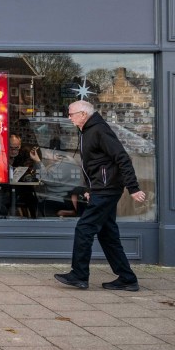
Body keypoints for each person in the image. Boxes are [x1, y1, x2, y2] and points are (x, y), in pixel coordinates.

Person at [55, 100, 146, 291]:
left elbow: (122, 158)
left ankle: (79, 275)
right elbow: (93, 165)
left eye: (71, 114)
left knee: (84, 228)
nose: (69, 117)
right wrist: (89, 188)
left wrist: (133, 188)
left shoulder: (99, 130)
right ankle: (127, 278)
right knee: (108, 234)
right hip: (101, 188)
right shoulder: (87, 131)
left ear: (83, 114)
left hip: (107, 190)